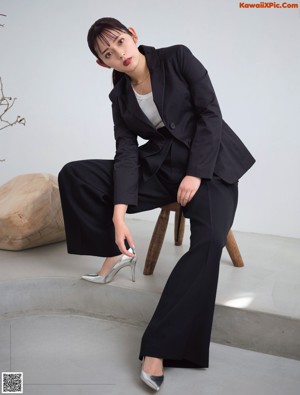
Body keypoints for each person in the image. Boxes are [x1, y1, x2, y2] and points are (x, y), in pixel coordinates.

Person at [58, 17, 255, 391]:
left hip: (210, 166)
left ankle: (159, 346)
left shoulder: (177, 58)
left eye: (119, 41)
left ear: (133, 34)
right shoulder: (119, 96)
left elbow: (211, 116)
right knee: (75, 174)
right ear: (103, 64)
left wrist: (196, 174)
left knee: (210, 242)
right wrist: (118, 216)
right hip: (161, 169)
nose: (119, 53)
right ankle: (115, 252)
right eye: (108, 53)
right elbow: (126, 154)